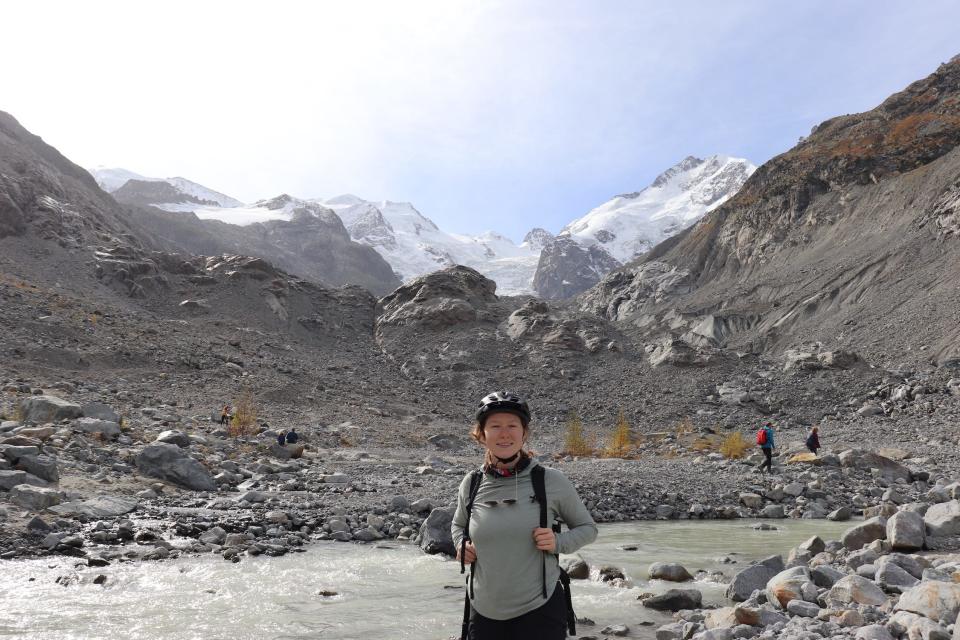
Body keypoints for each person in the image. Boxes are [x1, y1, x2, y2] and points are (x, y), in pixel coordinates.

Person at [451, 391, 597, 640]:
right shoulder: (472, 483)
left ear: (524, 433)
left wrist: (558, 542)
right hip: (483, 609)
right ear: (482, 434)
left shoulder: (550, 480)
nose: (504, 433)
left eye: (512, 426)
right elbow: (458, 525)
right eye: (495, 426)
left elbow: (587, 528)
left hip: (539, 610)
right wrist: (460, 544)